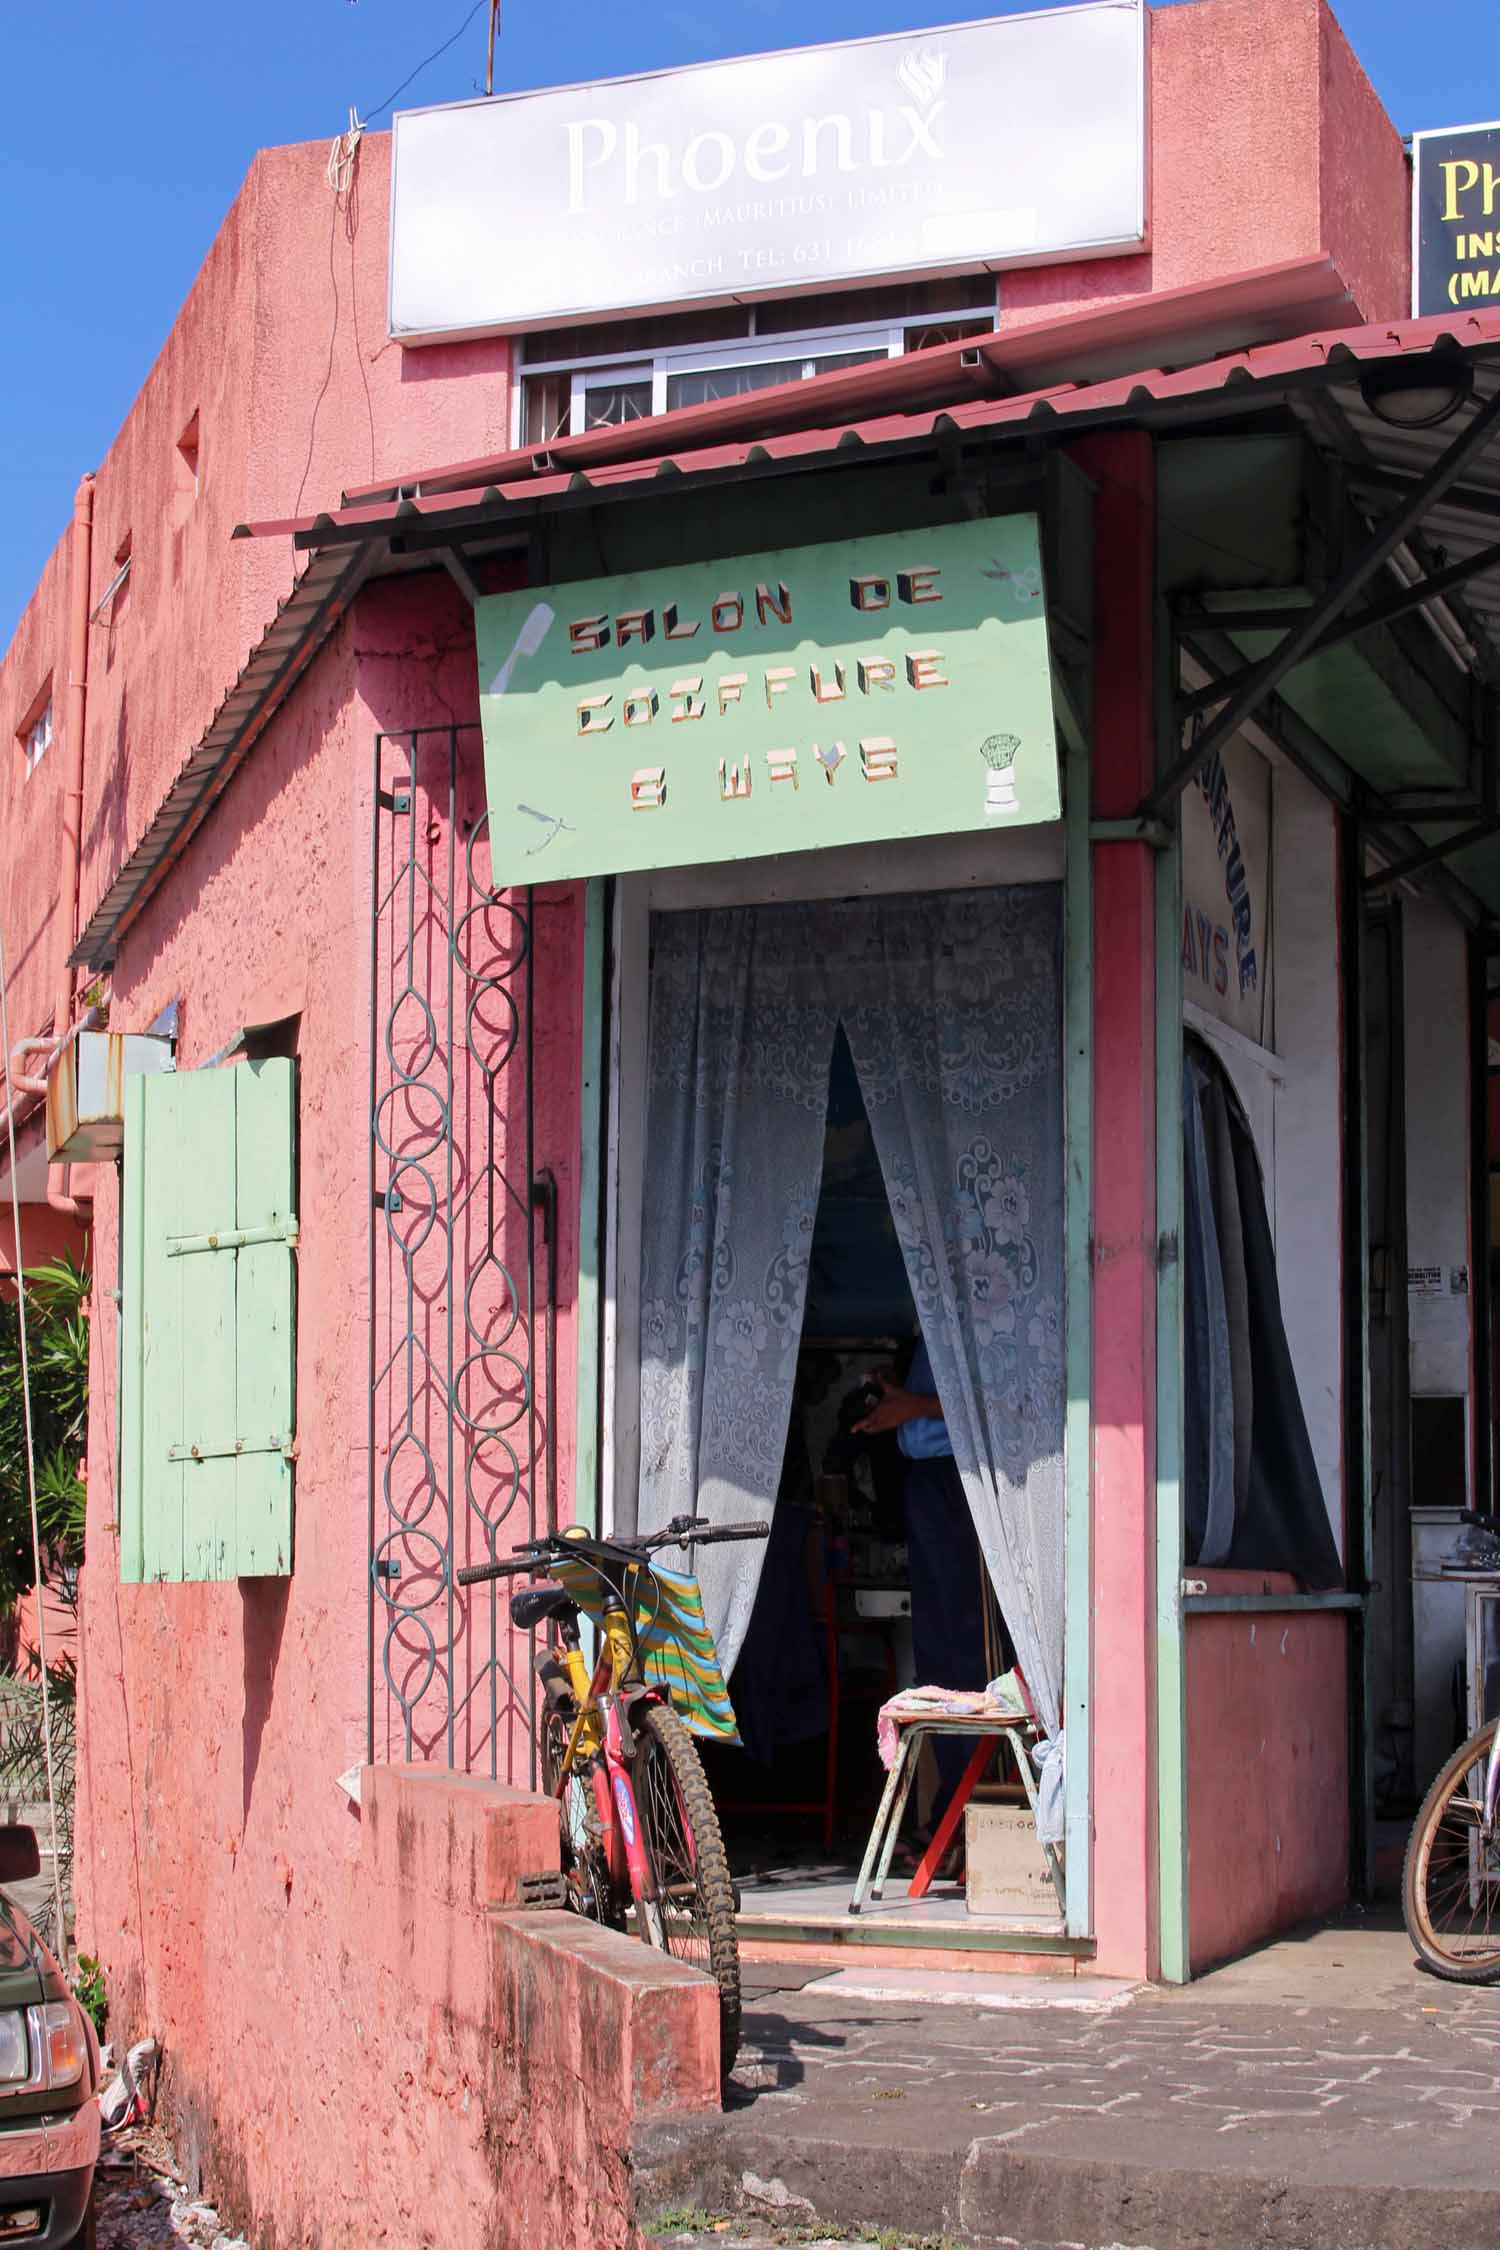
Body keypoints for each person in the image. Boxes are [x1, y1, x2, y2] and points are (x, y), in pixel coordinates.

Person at [854, 1335, 993, 1857]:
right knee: (938, 1661)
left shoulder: (977, 1304)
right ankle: (950, 1816)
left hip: (961, 1481)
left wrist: (914, 1407)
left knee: (966, 1654)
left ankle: (966, 1816)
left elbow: (1001, 1400)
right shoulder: (931, 1319)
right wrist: (901, 1399)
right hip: (928, 1482)